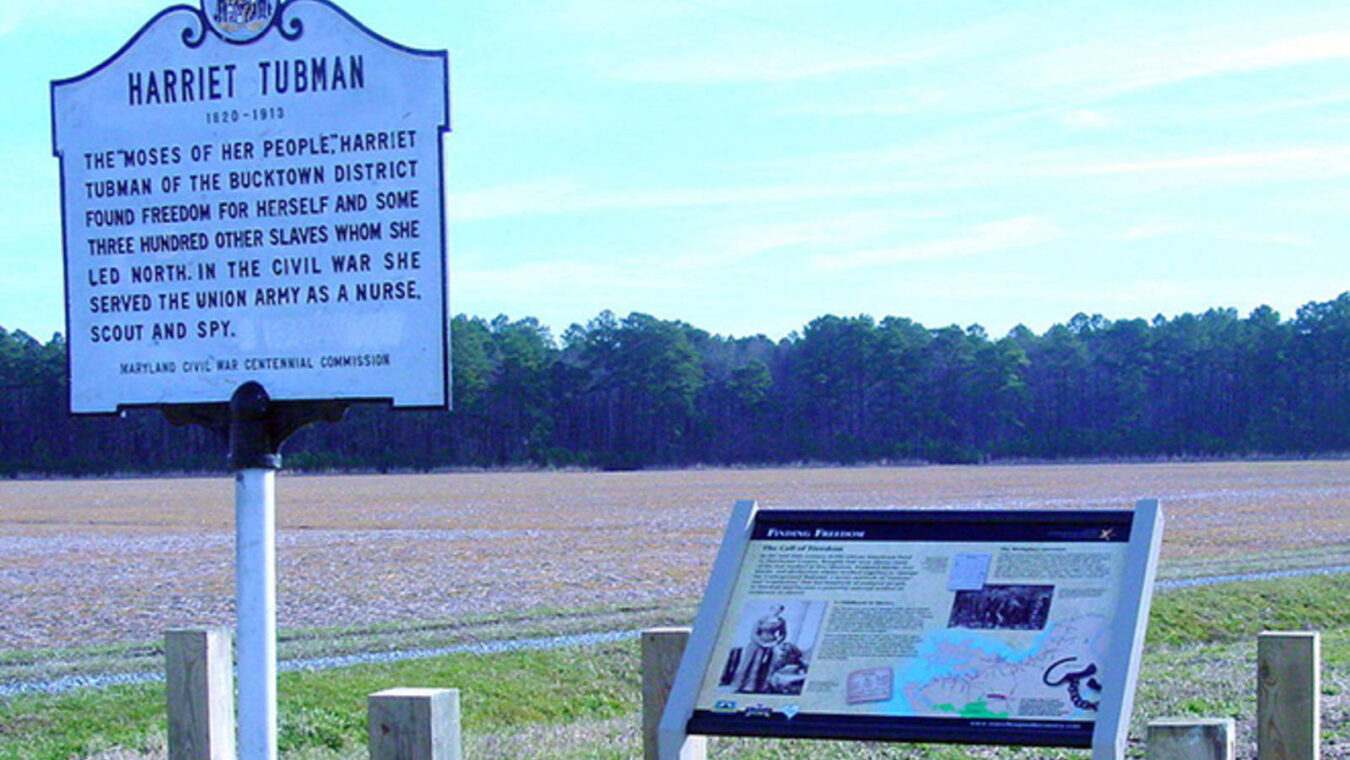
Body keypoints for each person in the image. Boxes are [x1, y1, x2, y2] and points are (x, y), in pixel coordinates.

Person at [727, 605, 808, 695]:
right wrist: (762, 643)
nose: (777, 612)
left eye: (779, 610)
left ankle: (760, 687)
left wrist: (775, 643)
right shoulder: (762, 620)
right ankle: (744, 686)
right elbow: (754, 634)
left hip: (771, 645)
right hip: (757, 644)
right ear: (771, 610)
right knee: (751, 664)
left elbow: (783, 634)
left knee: (767, 665)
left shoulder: (781, 621)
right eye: (775, 610)